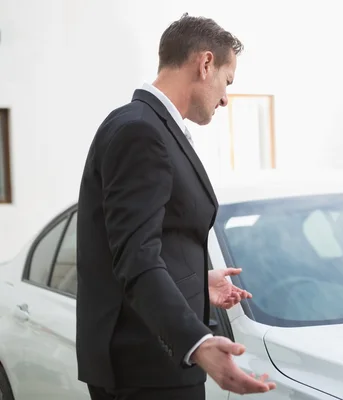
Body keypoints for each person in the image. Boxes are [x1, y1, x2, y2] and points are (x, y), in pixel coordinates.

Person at [76, 13, 276, 400]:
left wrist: (197, 283)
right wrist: (198, 343)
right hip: (147, 370)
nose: (224, 99)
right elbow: (135, 257)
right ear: (204, 64)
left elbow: (144, 243)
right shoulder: (141, 131)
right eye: (226, 81)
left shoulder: (148, 126)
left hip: (149, 364)